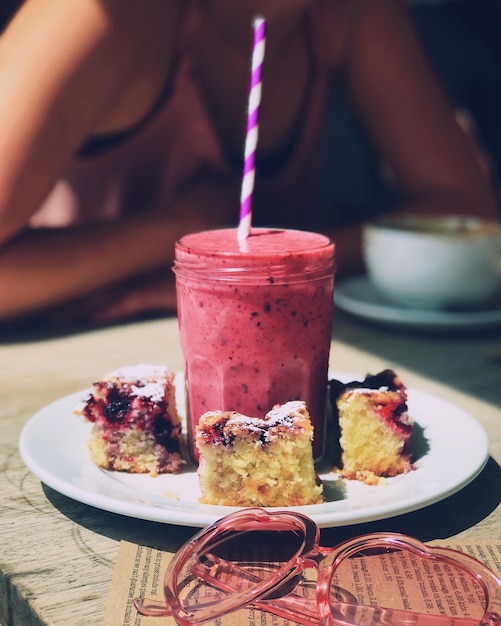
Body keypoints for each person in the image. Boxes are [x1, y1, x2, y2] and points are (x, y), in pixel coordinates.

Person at [0, 0, 497, 327]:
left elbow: (469, 213)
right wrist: (177, 233)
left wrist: (278, 266)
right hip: (64, 361)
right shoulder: (100, 14)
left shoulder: (344, 13)